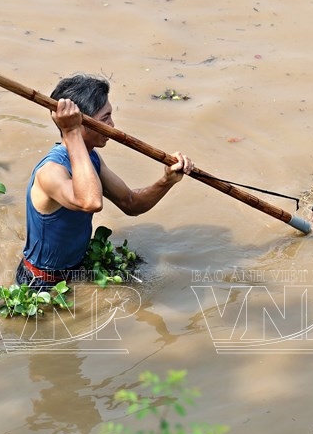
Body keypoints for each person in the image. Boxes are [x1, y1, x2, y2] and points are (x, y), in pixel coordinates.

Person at [15, 74, 194, 290]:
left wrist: (166, 181)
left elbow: (130, 203)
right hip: (40, 284)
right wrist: (71, 132)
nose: (113, 126)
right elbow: (90, 202)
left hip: (75, 270)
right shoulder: (51, 172)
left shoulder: (91, 158)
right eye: (105, 118)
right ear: (82, 123)